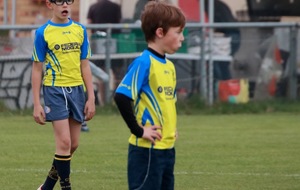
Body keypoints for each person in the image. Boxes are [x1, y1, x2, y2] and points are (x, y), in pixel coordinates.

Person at [114, 1, 186, 190]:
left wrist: (171, 129)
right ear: (160, 33)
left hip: (167, 149)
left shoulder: (169, 67)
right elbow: (121, 96)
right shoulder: (144, 62)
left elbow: (168, 103)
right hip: (147, 151)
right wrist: (139, 130)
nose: (182, 38)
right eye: (178, 32)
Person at [31, 0, 95, 189]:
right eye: (60, 2)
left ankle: (48, 186)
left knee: (72, 144)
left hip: (76, 90)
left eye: (69, 1)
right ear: (50, 4)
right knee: (64, 141)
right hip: (54, 90)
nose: (65, 5)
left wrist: (91, 97)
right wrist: (36, 103)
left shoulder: (80, 30)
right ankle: (66, 186)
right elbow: (36, 69)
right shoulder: (43, 32)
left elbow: (85, 65)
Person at [87, 0, 122, 106]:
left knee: (101, 75)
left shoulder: (93, 7)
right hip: (114, 45)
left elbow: (89, 25)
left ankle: (103, 102)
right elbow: (119, 23)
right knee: (118, 76)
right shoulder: (116, 7)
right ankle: (116, 101)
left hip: (99, 46)